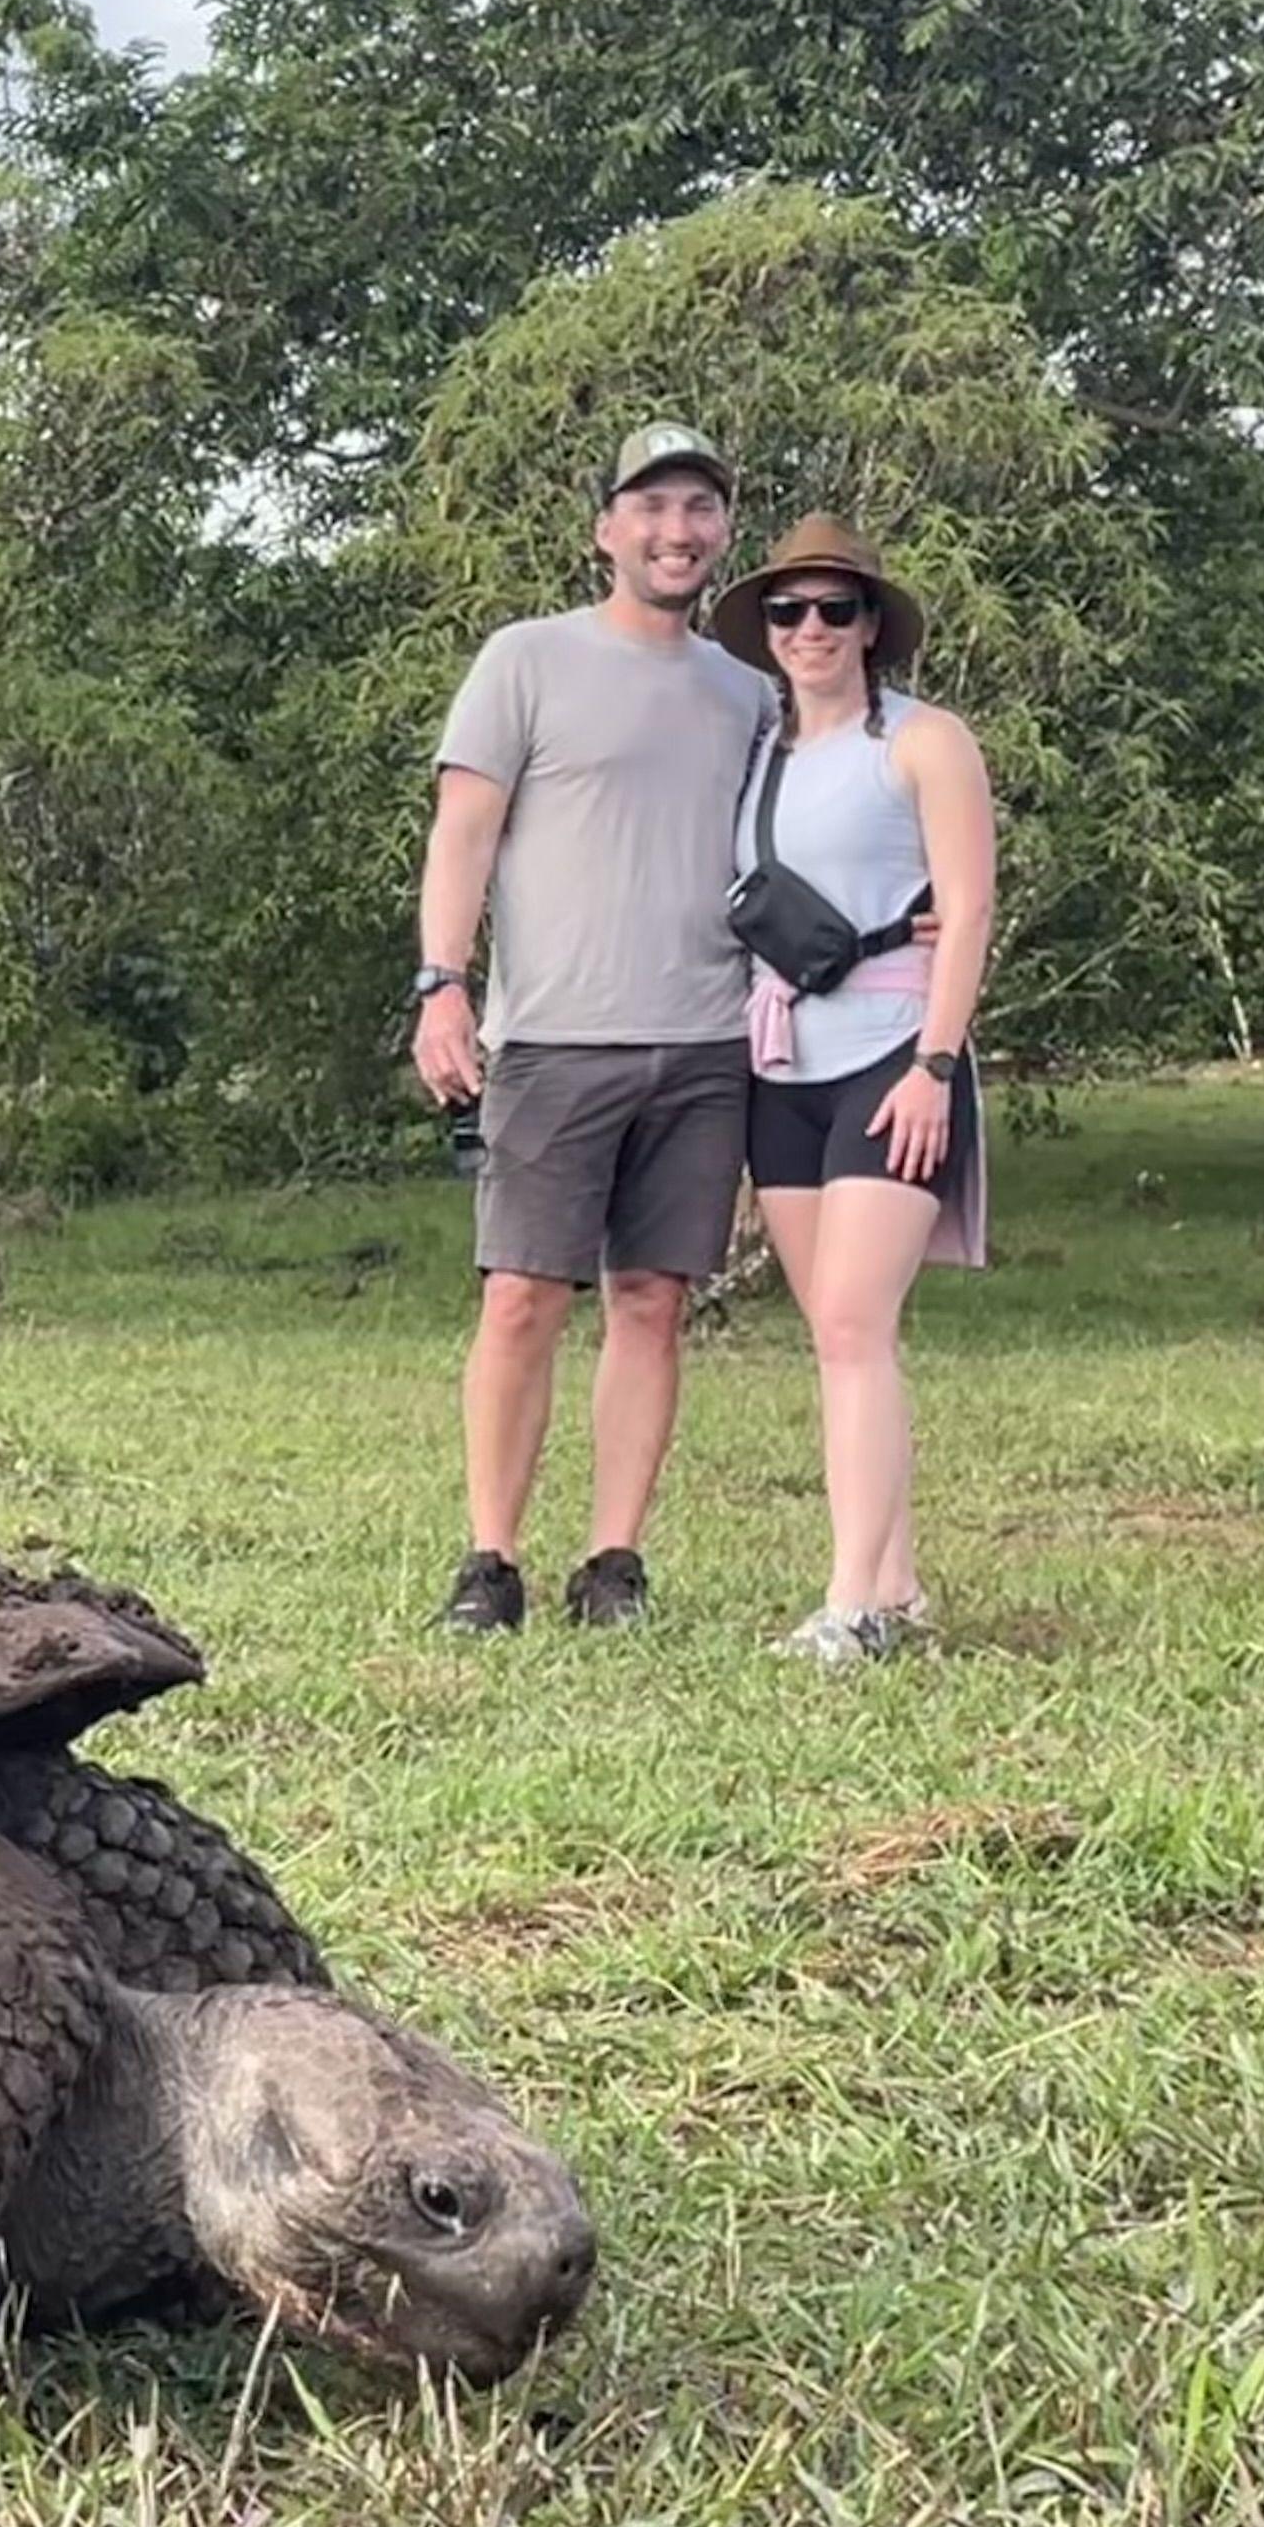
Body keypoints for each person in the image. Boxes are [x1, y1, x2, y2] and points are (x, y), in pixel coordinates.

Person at [412, 420, 772, 1633]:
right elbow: (463, 832)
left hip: (705, 1038)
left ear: (723, 531)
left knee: (653, 1300)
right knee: (521, 1295)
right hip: (556, 1036)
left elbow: (809, 844)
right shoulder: (527, 659)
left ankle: (614, 1562)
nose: (677, 532)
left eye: (700, 510)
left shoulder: (751, 691)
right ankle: (490, 1560)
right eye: (653, 508)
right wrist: (440, 982)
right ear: (607, 530)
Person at [707, 514, 998, 1666]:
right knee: (833, 1336)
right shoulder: (761, 756)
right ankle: (898, 1583)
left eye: (836, 609)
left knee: (851, 1322)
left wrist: (934, 1061)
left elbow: (968, 909)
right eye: (789, 611)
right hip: (785, 1060)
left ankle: (853, 1605)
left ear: (872, 626)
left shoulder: (925, 742)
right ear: (767, 632)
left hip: (894, 1055)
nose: (812, 630)